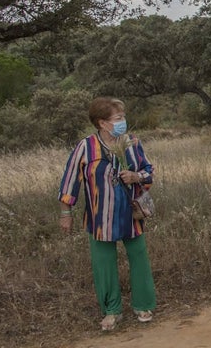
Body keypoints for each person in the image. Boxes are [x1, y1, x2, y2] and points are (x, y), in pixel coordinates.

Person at [59, 97, 156, 332]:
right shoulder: (86, 147)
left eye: (123, 116)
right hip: (100, 218)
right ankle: (112, 311)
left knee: (139, 257)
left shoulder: (132, 142)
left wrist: (136, 176)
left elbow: (148, 171)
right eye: (118, 118)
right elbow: (71, 179)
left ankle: (143, 305)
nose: (123, 121)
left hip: (132, 214)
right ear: (102, 123)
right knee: (104, 264)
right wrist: (66, 212)